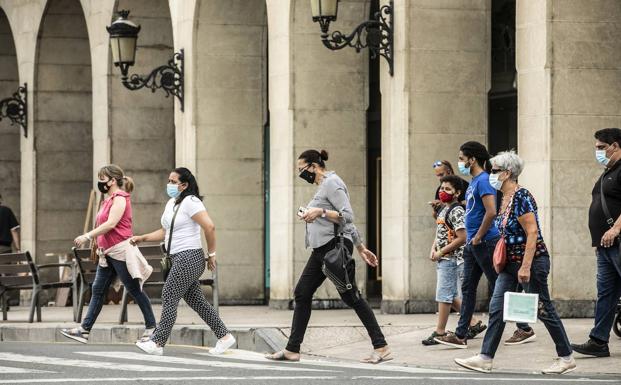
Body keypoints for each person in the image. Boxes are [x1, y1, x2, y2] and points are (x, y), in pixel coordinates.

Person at [454, 151, 575, 375]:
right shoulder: (504, 199)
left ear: (507, 173)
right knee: (497, 308)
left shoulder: (522, 196)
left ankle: (566, 357)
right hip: (510, 264)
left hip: (531, 262)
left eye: (495, 171)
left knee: (544, 309)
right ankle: (485, 357)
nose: (491, 175)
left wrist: (526, 265)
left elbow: (532, 232)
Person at [265, 149, 391, 364]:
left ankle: (382, 347)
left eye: (302, 169)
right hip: (320, 250)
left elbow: (348, 216)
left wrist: (321, 213)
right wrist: (312, 213)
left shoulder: (332, 183)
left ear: (314, 166)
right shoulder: (322, 187)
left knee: (352, 297)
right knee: (302, 293)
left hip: (334, 248)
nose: (301, 174)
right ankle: (292, 350)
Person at [435, 141, 533, 348]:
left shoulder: (484, 181)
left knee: (501, 285)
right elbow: (475, 210)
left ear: (472, 159)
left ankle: (524, 328)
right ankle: (461, 335)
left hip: (485, 242)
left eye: (462, 158)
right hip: (473, 244)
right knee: (468, 288)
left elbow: (491, 210)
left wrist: (478, 235)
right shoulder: (474, 183)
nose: (459, 162)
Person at [133, 167, 235, 356]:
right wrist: (143, 237)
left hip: (189, 256)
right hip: (176, 257)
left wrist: (212, 254)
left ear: (184, 185)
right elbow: (166, 231)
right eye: (169, 181)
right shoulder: (172, 202)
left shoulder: (191, 201)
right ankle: (225, 337)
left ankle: (157, 342)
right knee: (197, 302)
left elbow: (210, 227)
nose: (169, 184)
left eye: (173, 182)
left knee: (169, 294)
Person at [61, 165, 156, 343]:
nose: (100, 182)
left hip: (120, 251)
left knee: (134, 289)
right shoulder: (108, 200)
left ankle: (152, 328)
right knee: (97, 290)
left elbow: (112, 223)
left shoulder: (120, 198)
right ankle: (84, 330)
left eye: (102, 178)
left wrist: (87, 235)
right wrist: (96, 241)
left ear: (112, 180)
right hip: (108, 253)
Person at [572, 128, 621, 358]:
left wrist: (616, 228)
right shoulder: (608, 172)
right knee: (606, 293)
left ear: (616, 146)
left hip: (617, 240)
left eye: (602, 147)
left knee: (608, 292)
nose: (598, 151)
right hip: (605, 246)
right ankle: (599, 341)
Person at [422, 175, 483, 346]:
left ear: (457, 193)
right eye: (442, 188)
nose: (443, 192)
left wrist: (441, 252)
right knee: (450, 295)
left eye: (447, 189)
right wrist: (433, 248)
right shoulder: (444, 209)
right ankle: (474, 322)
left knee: (444, 295)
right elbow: (440, 231)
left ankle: (440, 332)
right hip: (444, 257)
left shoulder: (457, 211)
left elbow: (462, 237)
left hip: (452, 259)